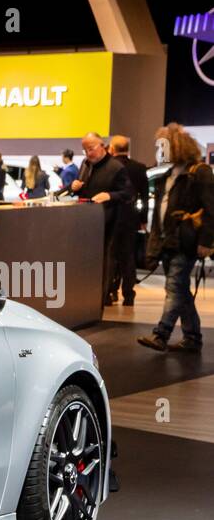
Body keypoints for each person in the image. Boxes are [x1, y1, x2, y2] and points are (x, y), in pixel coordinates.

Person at [137, 123, 214, 353]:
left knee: (174, 286)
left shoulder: (199, 172)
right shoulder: (168, 174)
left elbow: (212, 210)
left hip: (186, 241)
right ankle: (193, 337)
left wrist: (207, 242)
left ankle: (161, 334)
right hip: (168, 240)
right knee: (180, 290)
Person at [58, 131, 133, 306]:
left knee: (106, 262)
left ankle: (101, 298)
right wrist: (73, 187)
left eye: (91, 149)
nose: (88, 153)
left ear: (103, 146)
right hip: (87, 223)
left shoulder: (116, 167)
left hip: (108, 223)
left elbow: (128, 193)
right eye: (85, 150)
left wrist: (109, 195)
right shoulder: (85, 164)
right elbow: (81, 188)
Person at [107, 134, 149, 306]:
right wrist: (143, 219)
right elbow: (144, 196)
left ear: (112, 149)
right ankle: (129, 295)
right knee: (128, 256)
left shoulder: (110, 167)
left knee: (111, 255)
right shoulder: (139, 168)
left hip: (112, 215)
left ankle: (110, 292)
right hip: (130, 217)